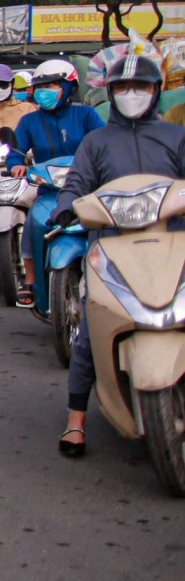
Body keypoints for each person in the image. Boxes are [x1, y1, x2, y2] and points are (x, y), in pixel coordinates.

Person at [51, 54, 185, 458]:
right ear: (110, 93)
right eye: (123, 88)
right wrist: (67, 204)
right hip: (114, 244)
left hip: (174, 241)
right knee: (93, 330)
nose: (132, 94)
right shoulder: (96, 142)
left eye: (140, 87)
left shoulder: (176, 137)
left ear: (155, 92)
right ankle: (76, 419)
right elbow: (76, 183)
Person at [8, 59, 103, 308]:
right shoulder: (30, 121)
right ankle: (29, 280)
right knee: (31, 224)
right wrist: (14, 164)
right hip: (49, 189)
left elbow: (105, 145)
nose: (43, 91)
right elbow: (16, 151)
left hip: (87, 188)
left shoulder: (86, 115)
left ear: (68, 86)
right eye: (40, 86)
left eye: (50, 85)